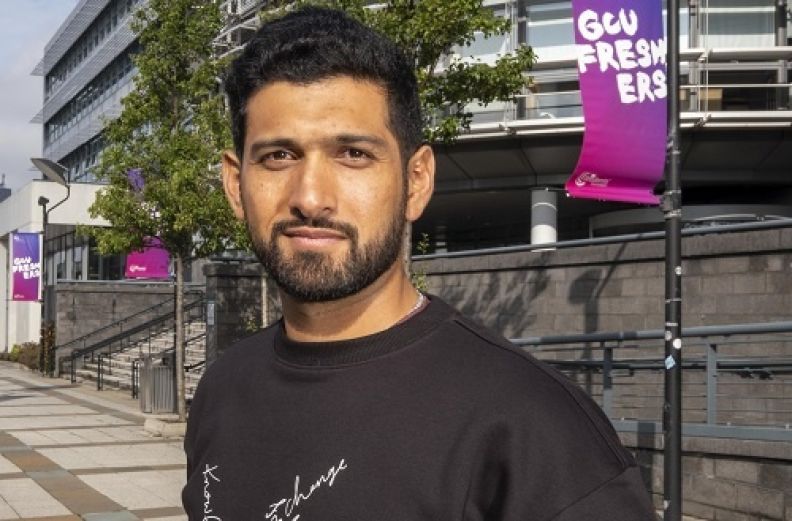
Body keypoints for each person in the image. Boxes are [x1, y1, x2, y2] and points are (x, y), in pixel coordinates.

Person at [182, 6, 657, 520]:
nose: (311, 197)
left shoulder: (538, 436)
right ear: (236, 184)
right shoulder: (222, 388)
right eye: (278, 156)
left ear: (417, 182)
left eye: (353, 154)